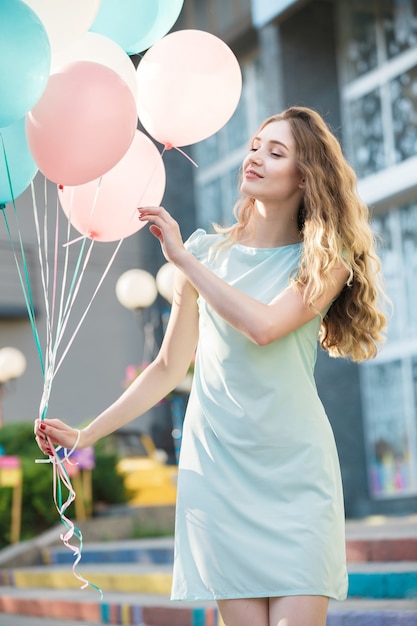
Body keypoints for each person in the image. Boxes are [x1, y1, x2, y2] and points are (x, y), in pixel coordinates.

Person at [35, 106, 387, 626]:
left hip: (296, 471)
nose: (256, 158)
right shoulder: (203, 253)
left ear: (304, 175)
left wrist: (185, 261)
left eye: (276, 151)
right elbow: (167, 366)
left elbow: (264, 327)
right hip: (219, 471)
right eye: (254, 146)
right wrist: (87, 435)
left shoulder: (323, 260)